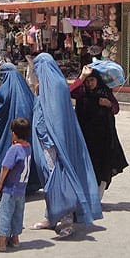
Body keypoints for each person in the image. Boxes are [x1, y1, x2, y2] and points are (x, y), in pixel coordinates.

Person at [30, 53, 102, 238]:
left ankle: (66, 219)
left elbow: (58, 118)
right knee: (48, 179)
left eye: (37, 68)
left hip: (56, 142)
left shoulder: (57, 86)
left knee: (61, 178)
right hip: (43, 140)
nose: (35, 72)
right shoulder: (44, 87)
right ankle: (51, 215)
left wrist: (55, 141)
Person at [70, 65, 127, 198]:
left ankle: (97, 198)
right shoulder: (81, 92)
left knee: (103, 168)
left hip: (103, 138)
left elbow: (116, 108)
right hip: (85, 138)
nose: (90, 84)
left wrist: (109, 104)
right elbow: (70, 92)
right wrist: (82, 76)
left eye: (92, 80)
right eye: (87, 81)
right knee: (86, 166)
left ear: (98, 80)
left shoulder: (105, 92)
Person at [0, 63, 39, 193]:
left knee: (8, 157)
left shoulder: (5, 88)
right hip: (26, 132)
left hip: (11, 131)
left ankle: (3, 184)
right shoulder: (25, 89)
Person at [0, 117, 33, 252]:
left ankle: (1, 242)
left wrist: (0, 184)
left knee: (5, 213)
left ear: (14, 133)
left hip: (11, 187)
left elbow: (5, 167)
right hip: (22, 188)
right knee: (18, 213)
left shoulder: (14, 149)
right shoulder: (28, 148)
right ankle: (15, 238)